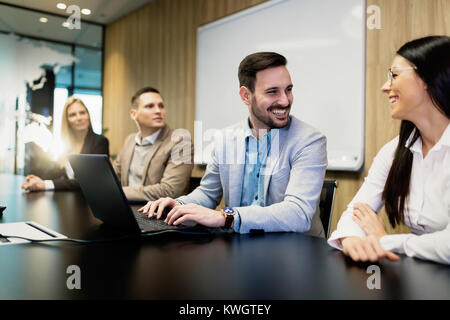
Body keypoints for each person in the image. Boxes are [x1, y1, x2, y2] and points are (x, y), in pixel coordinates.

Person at [139, 52, 327, 235]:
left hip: (295, 253)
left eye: (288, 89)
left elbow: (298, 214)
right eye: (272, 92)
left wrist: (227, 217)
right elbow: (208, 193)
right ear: (246, 96)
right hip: (240, 247)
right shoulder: (225, 139)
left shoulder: (309, 140)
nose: (285, 100)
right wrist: (179, 204)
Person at [328, 36, 450, 265]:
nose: (385, 87)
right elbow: (357, 212)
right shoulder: (394, 151)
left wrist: (384, 240)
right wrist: (352, 240)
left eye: (394, 75)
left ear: (427, 78)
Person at [112, 87, 193, 202]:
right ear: (133, 114)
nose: (158, 111)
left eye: (161, 106)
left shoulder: (181, 141)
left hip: (159, 215)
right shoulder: (130, 140)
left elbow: (170, 191)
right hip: (125, 208)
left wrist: (119, 192)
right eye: (150, 106)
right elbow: (112, 177)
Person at [22, 96, 109, 191]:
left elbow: (88, 181)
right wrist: (36, 179)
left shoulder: (100, 142)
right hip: (69, 200)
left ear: (88, 115)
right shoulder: (66, 144)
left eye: (82, 113)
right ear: (66, 120)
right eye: (73, 115)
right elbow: (55, 170)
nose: (79, 118)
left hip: (89, 202)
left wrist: (45, 184)